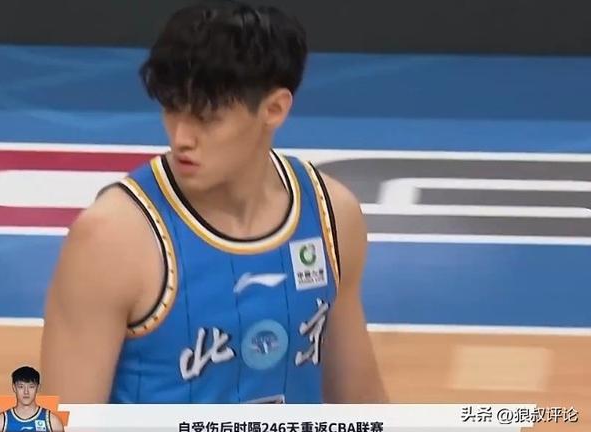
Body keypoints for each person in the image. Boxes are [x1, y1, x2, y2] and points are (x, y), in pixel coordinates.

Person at [40, 0, 387, 404]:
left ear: (274, 109)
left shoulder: (331, 215)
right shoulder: (111, 239)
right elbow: (60, 423)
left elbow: (361, 404)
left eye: (206, 117)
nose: (181, 137)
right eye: (172, 109)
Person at [0, 366, 64, 432]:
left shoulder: (53, 423)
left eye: (31, 386)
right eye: (21, 386)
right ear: (14, 387)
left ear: (38, 388)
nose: (26, 392)